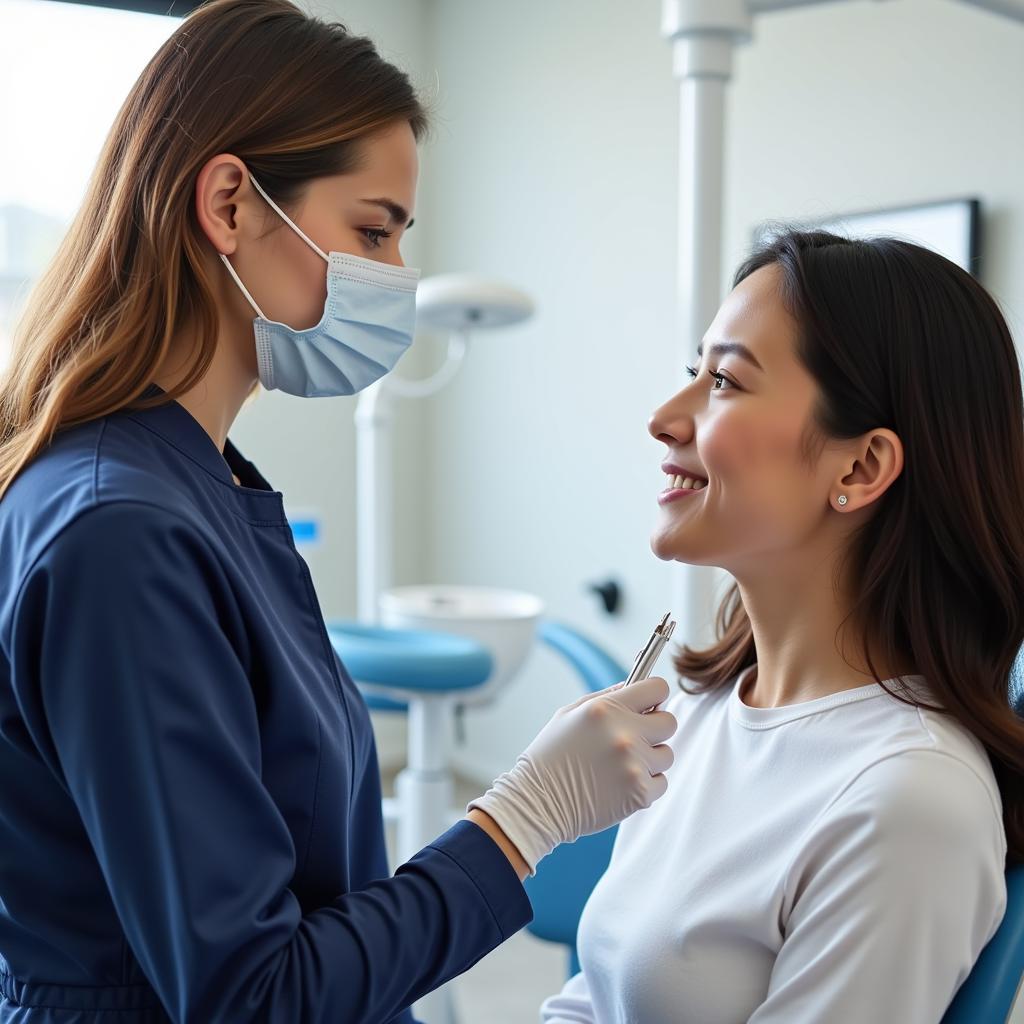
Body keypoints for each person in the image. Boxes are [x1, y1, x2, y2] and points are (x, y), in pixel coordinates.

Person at [0, 2, 677, 1022]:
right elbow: (258, 996)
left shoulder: (206, 486)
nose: (393, 280)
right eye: (372, 231)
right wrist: (521, 821)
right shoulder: (119, 531)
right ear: (230, 203)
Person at [541, 229, 1024, 1024]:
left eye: (725, 381)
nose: (665, 418)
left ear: (861, 468)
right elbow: (593, 1000)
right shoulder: (696, 713)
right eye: (691, 374)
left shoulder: (908, 804)